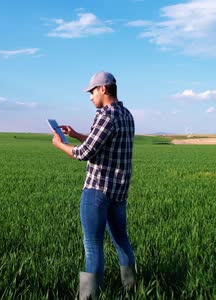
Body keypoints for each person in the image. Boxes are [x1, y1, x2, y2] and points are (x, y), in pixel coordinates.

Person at [51, 71, 136, 299]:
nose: (90, 97)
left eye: (91, 91)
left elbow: (84, 153)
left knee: (93, 246)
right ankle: (131, 290)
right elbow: (102, 143)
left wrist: (60, 145)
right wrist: (77, 134)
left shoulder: (104, 115)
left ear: (103, 89)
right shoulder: (126, 115)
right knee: (122, 242)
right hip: (118, 193)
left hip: (97, 191)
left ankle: (87, 297)